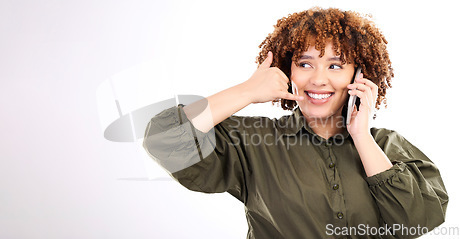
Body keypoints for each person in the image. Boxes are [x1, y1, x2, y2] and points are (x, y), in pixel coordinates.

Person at [143, 7, 448, 238]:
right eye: (305, 64)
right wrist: (247, 91)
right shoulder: (252, 140)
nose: (318, 79)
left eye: (336, 65)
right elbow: (166, 138)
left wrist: (361, 136)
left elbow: (420, 220)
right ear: (287, 69)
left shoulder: (386, 145)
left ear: (360, 75)